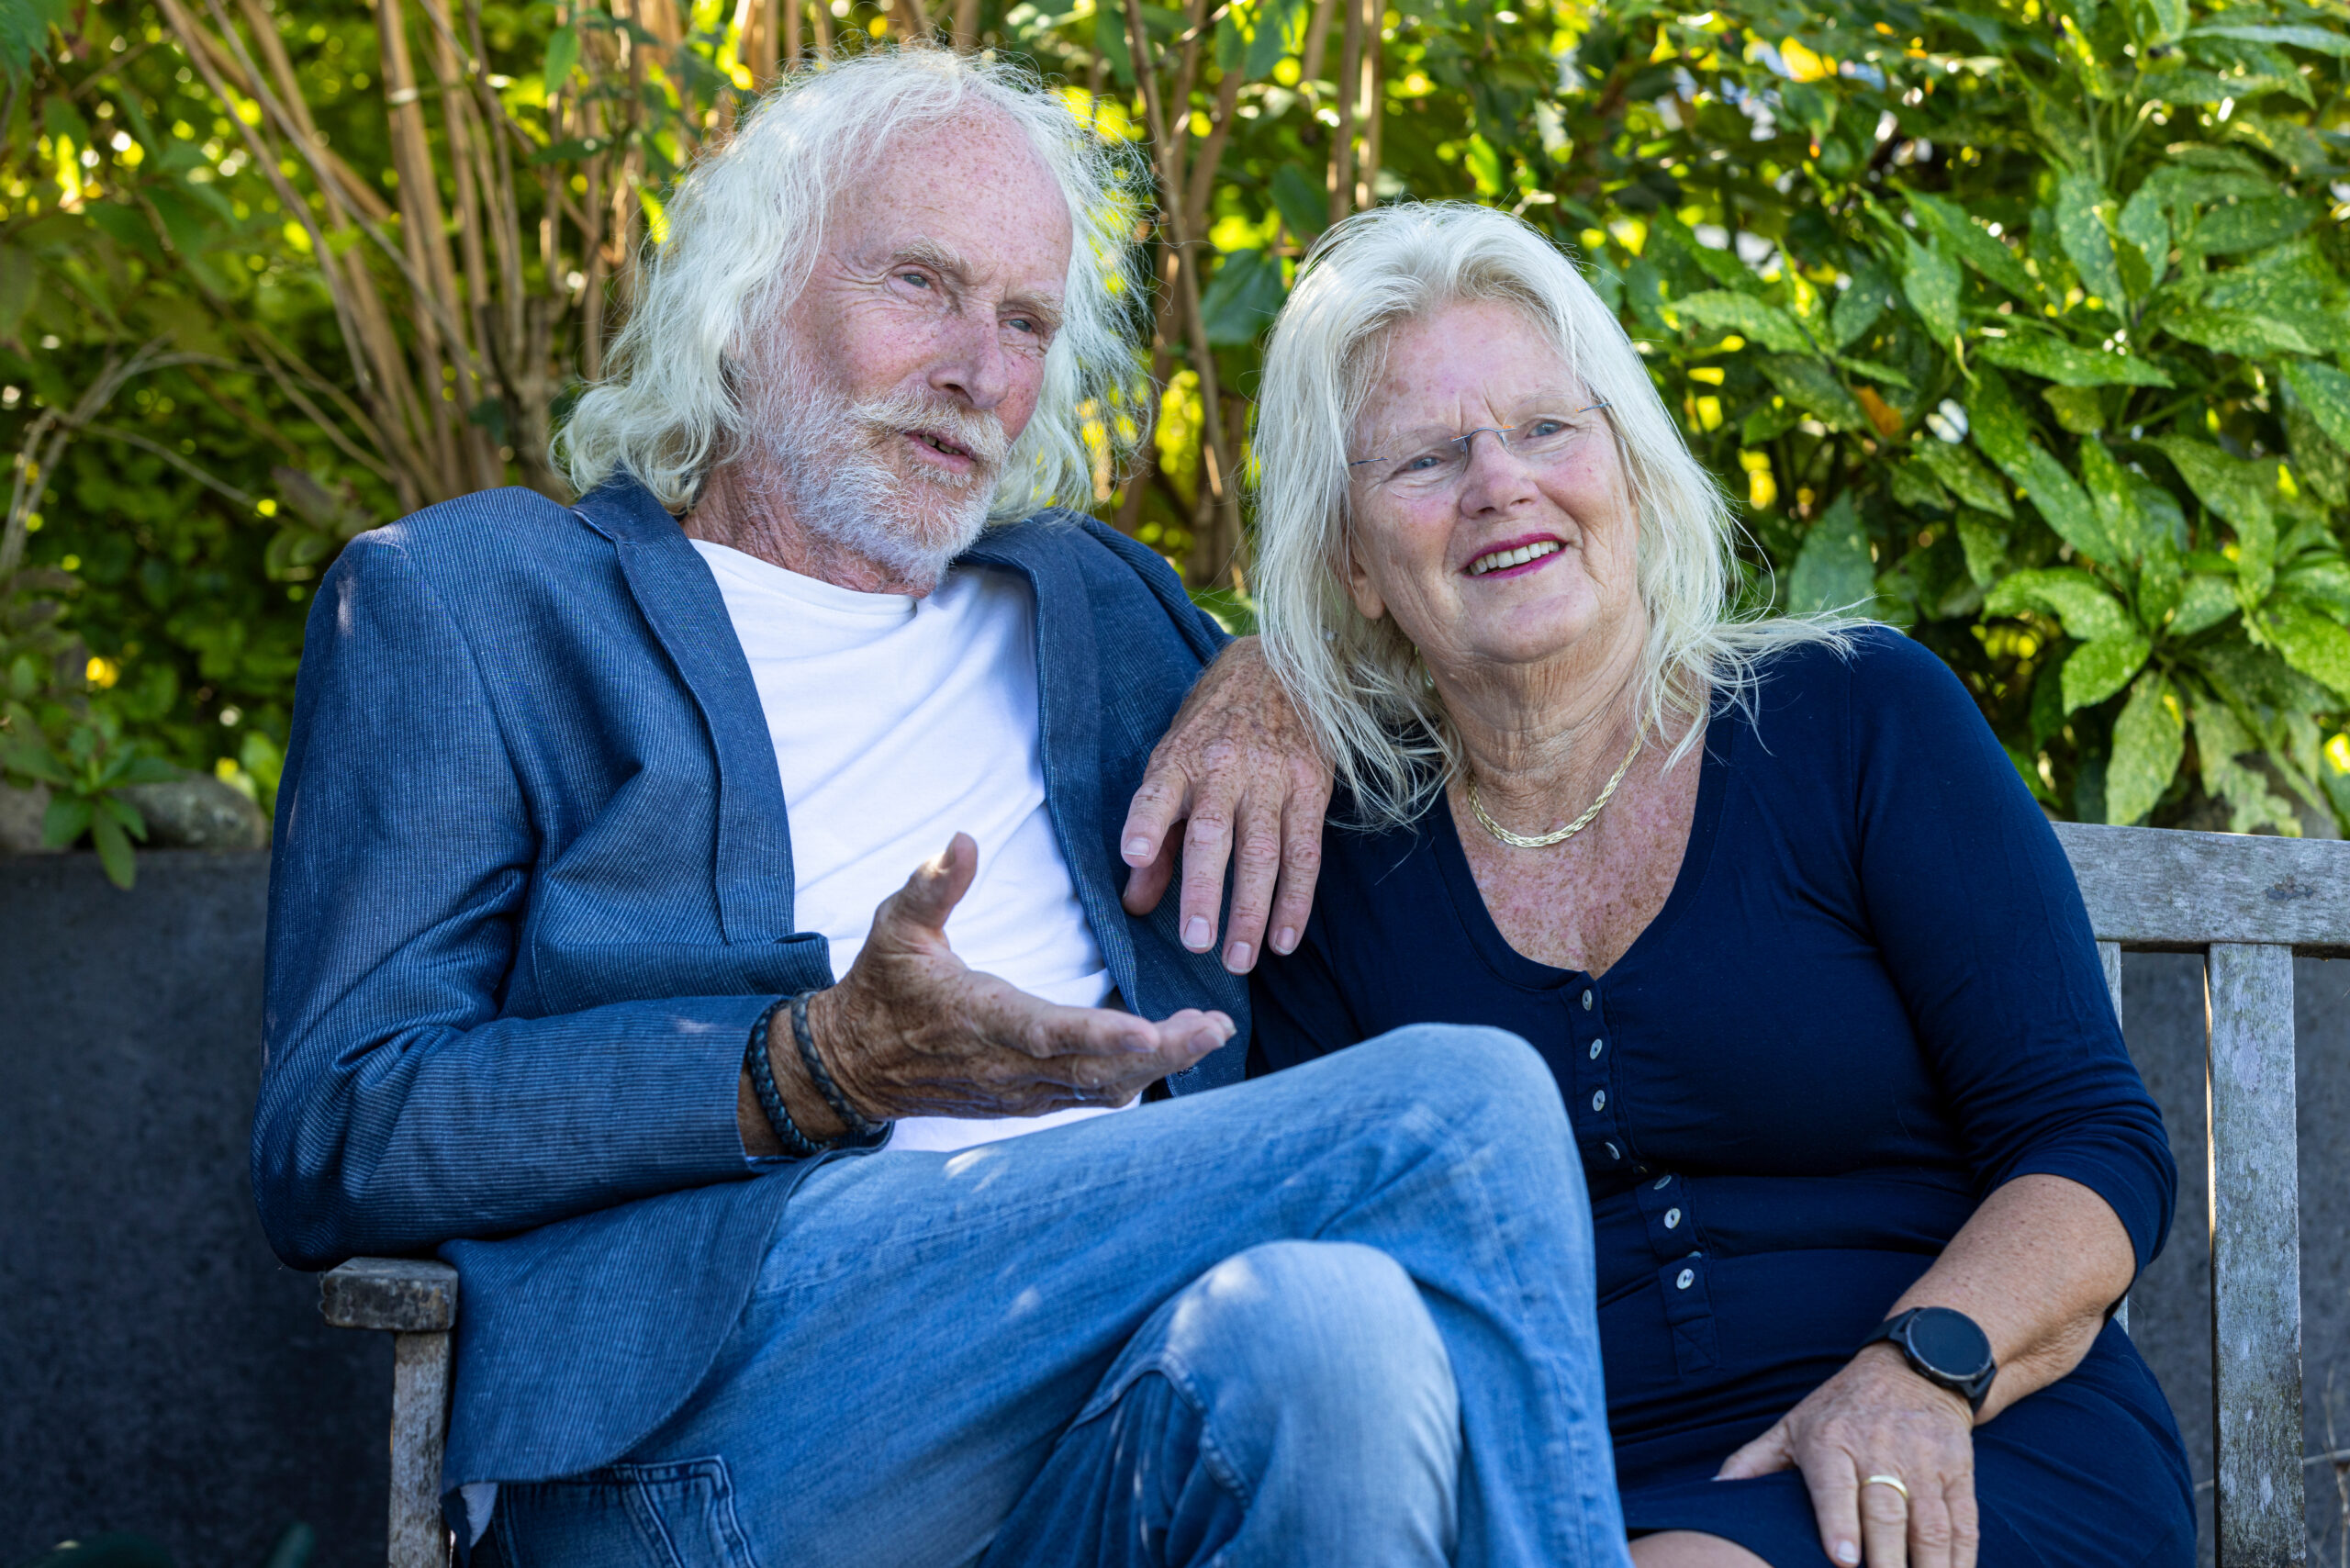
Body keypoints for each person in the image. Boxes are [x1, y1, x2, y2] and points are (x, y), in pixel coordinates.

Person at [253, 53, 1637, 1568]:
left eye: (1028, 321)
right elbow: (340, 1128)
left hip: (1106, 1412)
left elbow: (1396, 645)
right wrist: (814, 1065)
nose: (983, 369)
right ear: (746, 291)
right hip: (712, 1437)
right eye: (922, 282)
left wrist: (1277, 669)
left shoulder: (1091, 604)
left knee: (1335, 1332)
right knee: (1464, 1110)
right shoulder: (482, 602)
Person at [1244, 201, 2194, 1568]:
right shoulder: (1334, 873)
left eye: (1546, 429)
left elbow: (2091, 1139)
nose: (1501, 482)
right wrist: (1248, 679)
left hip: (1969, 1437)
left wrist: (1920, 1369)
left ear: (1629, 466)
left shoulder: (1856, 719)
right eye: (1428, 457)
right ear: (1352, 561)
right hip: (1572, 1507)